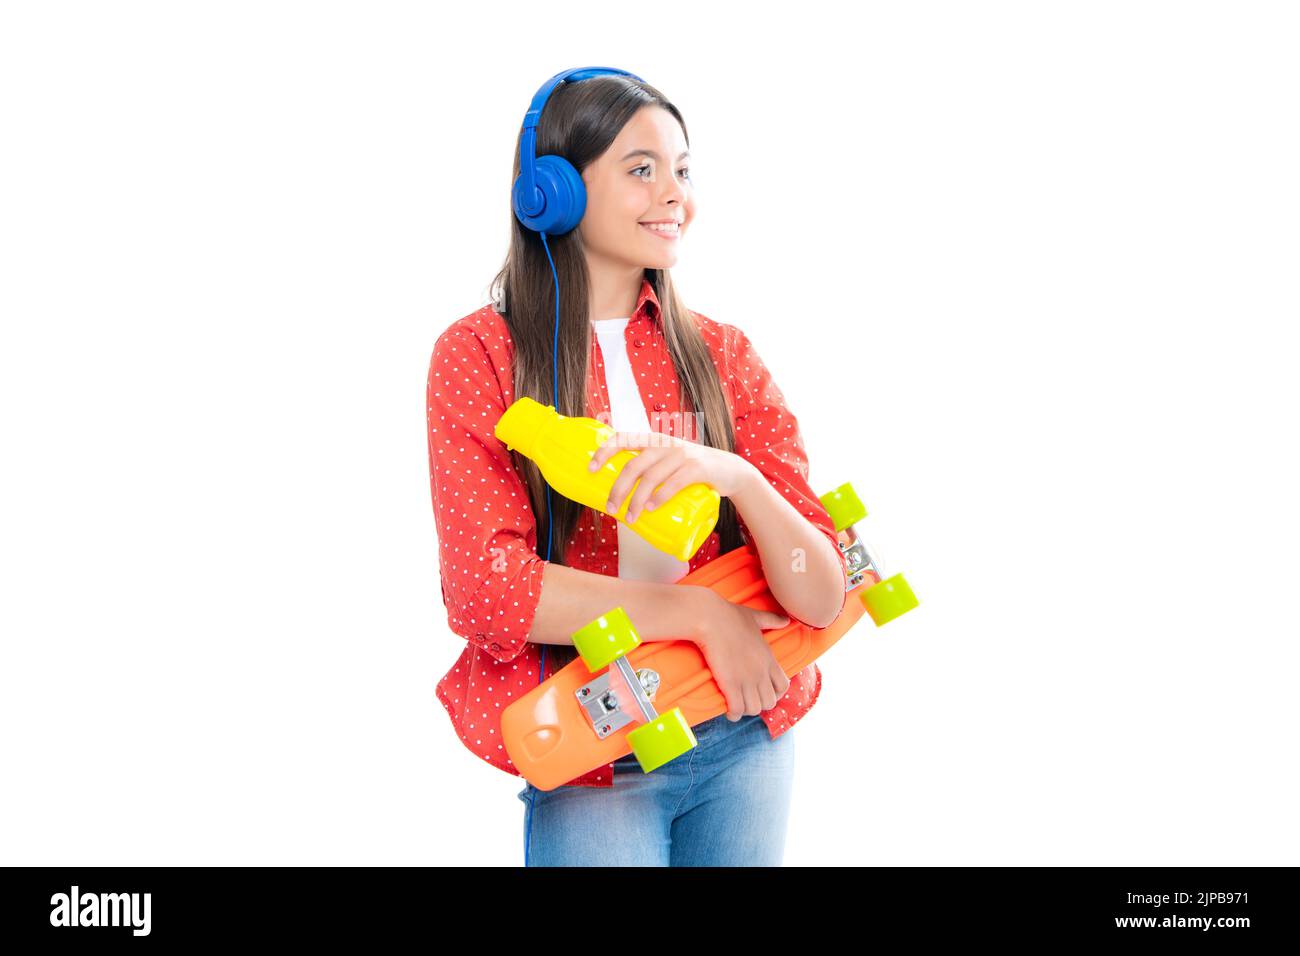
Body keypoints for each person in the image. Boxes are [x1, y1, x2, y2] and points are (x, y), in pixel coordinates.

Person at [425, 69, 849, 866]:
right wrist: (699, 615)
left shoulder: (725, 356)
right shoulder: (481, 355)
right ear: (553, 190)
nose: (674, 196)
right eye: (642, 168)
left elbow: (821, 593)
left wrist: (740, 479)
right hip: (595, 756)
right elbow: (489, 589)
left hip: (744, 734)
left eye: (683, 171)